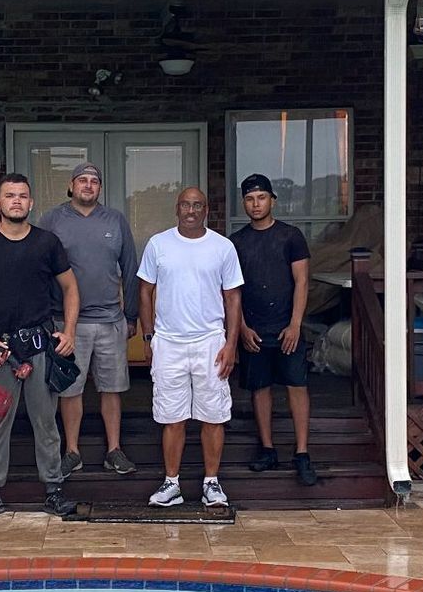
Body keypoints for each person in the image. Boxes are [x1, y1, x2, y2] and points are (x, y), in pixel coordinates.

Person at [0, 173, 79, 521]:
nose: (17, 201)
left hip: (39, 346)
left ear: (31, 202)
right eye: (10, 196)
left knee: (46, 423)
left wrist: (68, 331)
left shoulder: (47, 243)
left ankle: (54, 491)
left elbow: (70, 288)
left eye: (23, 195)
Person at [136, 186, 242, 508]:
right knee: (172, 416)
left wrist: (231, 344)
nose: (191, 210)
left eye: (197, 205)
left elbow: (233, 298)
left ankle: (211, 483)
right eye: (185, 205)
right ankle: (172, 484)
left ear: (206, 209)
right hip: (168, 342)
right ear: (177, 208)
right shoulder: (159, 244)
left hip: (210, 341)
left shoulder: (222, 247)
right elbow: (145, 293)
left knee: (213, 416)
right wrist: (148, 337)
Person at [37, 162, 140, 476]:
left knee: (112, 388)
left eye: (94, 181)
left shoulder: (115, 220)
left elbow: (131, 269)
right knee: (70, 389)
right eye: (82, 180)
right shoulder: (52, 220)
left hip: (110, 318)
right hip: (67, 323)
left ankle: (114, 450)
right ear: (71, 186)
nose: (88, 185)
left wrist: (131, 315)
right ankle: (72, 451)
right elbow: (39, 269)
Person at [230, 173, 319, 487]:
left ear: (272, 200)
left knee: (297, 385)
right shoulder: (237, 242)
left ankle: (302, 453)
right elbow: (231, 290)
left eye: (262, 198)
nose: (256, 204)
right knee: (260, 388)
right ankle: (267, 448)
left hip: (287, 327)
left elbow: (302, 282)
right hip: (253, 328)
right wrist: (241, 327)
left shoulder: (291, 236)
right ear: (244, 203)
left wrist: (295, 324)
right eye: (250, 199)